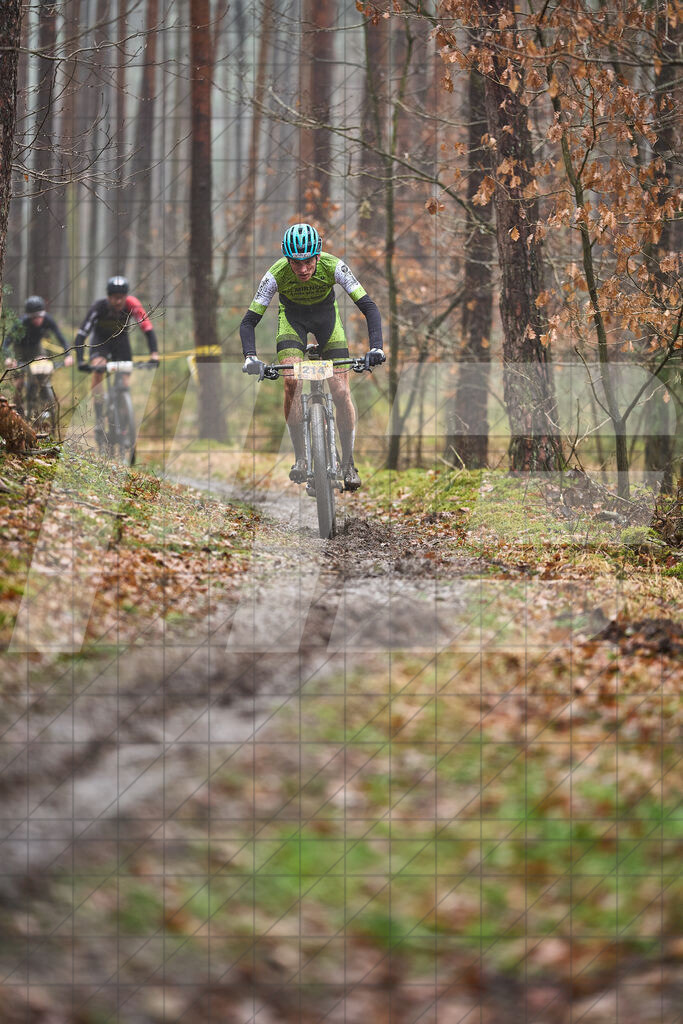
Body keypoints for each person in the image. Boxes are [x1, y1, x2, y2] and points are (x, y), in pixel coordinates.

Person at [240, 223, 385, 491]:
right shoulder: (275, 275)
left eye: (308, 262)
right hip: (292, 323)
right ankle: (302, 458)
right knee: (291, 382)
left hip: (327, 322)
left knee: (340, 391)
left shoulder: (335, 266)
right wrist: (250, 357)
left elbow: (369, 307)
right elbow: (249, 321)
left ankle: (348, 463)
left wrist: (376, 347)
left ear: (318, 255)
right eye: (296, 263)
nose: (303, 269)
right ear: (288, 259)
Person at [75, 276, 159, 440]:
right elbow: (81, 334)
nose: (119, 300)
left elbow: (147, 328)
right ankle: (99, 418)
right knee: (98, 369)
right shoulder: (98, 307)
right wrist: (80, 360)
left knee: (124, 383)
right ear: (108, 296)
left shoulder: (132, 304)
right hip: (101, 343)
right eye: (115, 296)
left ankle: (123, 421)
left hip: (121, 344)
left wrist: (154, 354)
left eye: (122, 296)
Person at [2, 296, 73, 414]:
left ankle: (45, 405)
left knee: (43, 374)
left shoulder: (48, 320)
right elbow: (7, 342)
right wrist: (9, 358)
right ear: (29, 316)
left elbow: (60, 337)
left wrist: (68, 355)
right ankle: (18, 410)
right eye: (34, 317)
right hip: (20, 350)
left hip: (36, 349)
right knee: (19, 383)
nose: (38, 320)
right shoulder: (20, 323)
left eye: (40, 316)